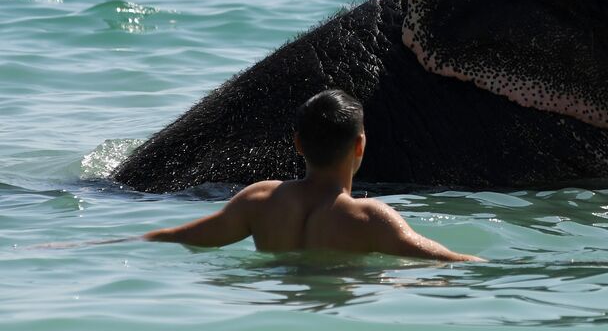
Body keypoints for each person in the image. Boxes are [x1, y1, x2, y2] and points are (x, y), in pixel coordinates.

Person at [143, 89, 482, 262]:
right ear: (359, 145)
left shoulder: (259, 200)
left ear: (298, 144)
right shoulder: (368, 218)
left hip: (277, 301)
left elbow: (180, 236)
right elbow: (445, 262)